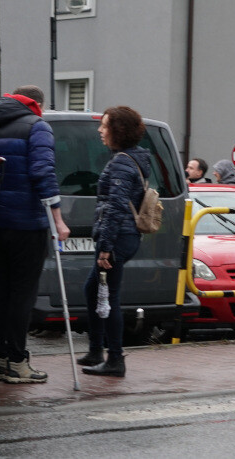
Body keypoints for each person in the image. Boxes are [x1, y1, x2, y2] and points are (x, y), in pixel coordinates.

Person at [0, 85, 71, 384]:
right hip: (27, 224)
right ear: (37, 104)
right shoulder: (37, 127)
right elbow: (43, 172)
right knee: (22, 294)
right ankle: (18, 362)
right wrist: (58, 220)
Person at [78, 106, 151, 377]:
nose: (100, 130)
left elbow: (116, 207)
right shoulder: (132, 158)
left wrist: (106, 247)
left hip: (118, 238)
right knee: (92, 289)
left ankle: (115, 359)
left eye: (104, 125)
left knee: (108, 296)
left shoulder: (121, 162)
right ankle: (96, 350)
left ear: (118, 130)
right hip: (125, 235)